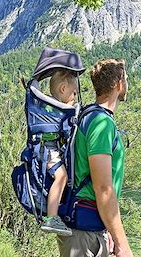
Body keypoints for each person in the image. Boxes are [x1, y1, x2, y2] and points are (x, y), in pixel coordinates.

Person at [57, 58, 133, 257]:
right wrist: (122, 243)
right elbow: (103, 189)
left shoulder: (88, 116)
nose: (127, 84)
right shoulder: (101, 123)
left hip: (87, 228)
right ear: (119, 84)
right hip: (84, 234)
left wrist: (106, 229)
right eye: (126, 79)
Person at [40, 69, 79, 236]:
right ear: (63, 89)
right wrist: (71, 110)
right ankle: (51, 218)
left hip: (51, 149)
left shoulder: (49, 105)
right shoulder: (53, 108)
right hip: (49, 150)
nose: (75, 97)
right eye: (74, 93)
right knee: (61, 176)